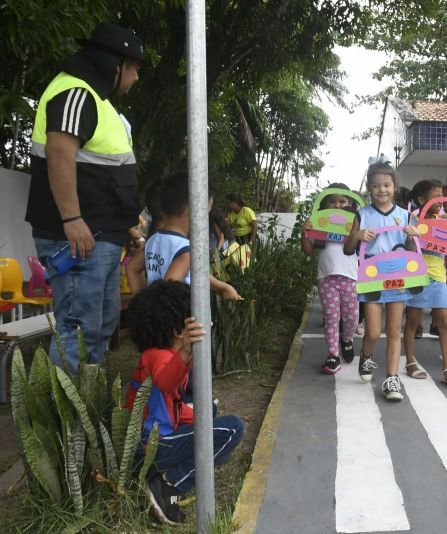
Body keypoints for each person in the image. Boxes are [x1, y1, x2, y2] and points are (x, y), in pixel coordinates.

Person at [25, 22, 147, 372]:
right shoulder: (75, 92)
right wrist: (71, 219)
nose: (136, 77)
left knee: (98, 327)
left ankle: (83, 413)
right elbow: (60, 154)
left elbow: (102, 175)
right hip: (79, 237)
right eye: (134, 68)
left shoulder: (96, 99)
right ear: (116, 64)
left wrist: (124, 228)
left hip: (98, 236)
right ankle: (64, 422)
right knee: (79, 330)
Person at [125, 280, 244, 525]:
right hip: (152, 447)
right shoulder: (158, 356)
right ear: (181, 331)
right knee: (233, 428)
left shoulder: (159, 354)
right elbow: (167, 382)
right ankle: (170, 484)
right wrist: (187, 352)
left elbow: (174, 402)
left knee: (208, 412)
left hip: (159, 437)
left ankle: (180, 467)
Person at [343, 162, 418, 401]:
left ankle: (392, 378)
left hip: (398, 276)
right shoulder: (362, 214)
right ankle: (366, 357)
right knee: (374, 332)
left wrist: (413, 236)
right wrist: (357, 235)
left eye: (386, 185)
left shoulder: (405, 215)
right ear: (369, 188)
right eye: (376, 186)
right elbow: (347, 249)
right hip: (372, 277)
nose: (381, 190)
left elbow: (414, 251)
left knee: (394, 330)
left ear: (395, 187)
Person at [125, 171, 241, 300]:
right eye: (206, 212)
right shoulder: (186, 250)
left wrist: (222, 287)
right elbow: (169, 289)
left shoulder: (154, 240)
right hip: (178, 317)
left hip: (157, 314)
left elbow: (132, 268)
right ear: (193, 210)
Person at [403, 180, 447, 386]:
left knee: (444, 321)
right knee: (413, 323)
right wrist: (413, 235)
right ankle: (410, 362)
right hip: (417, 276)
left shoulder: (446, 221)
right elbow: (409, 251)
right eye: (436, 197)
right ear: (422, 200)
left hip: (439, 277)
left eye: (442, 196)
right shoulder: (413, 220)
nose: (441, 201)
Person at [300, 183, 359, 374]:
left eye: (342, 201)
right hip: (326, 278)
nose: (337, 205)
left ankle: (347, 340)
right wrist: (305, 233)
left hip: (351, 278)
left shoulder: (356, 225)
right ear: (325, 205)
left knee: (352, 317)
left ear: (350, 204)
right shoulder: (320, 223)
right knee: (332, 318)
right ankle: (333, 355)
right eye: (332, 201)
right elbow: (308, 251)